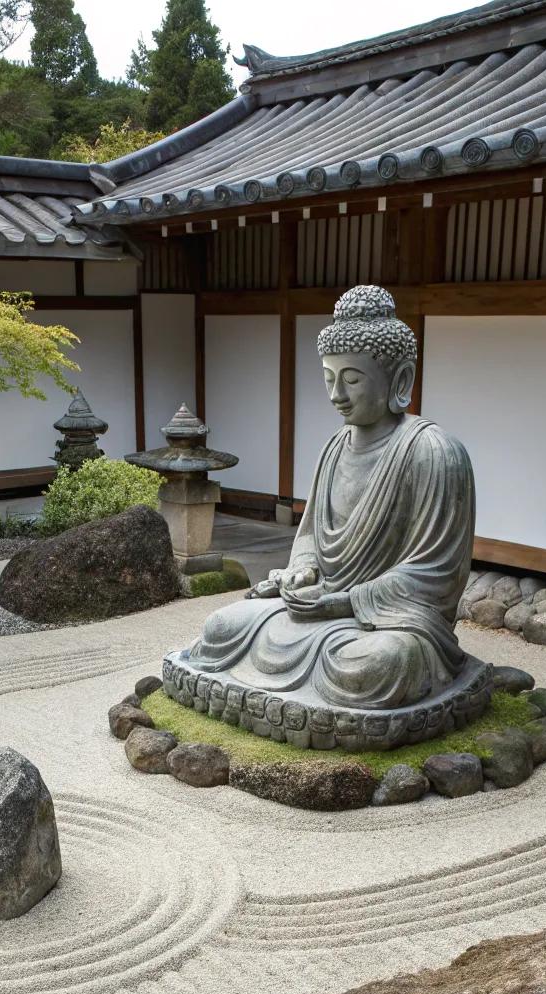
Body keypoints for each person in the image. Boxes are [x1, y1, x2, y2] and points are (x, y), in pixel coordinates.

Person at [188, 285, 475, 711]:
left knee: (375, 665)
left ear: (400, 380)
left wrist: (344, 603)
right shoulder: (335, 446)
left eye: (352, 379)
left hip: (385, 621)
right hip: (321, 605)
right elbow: (309, 538)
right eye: (328, 378)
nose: (336, 394)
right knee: (222, 626)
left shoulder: (433, 452)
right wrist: (302, 570)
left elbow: (437, 575)